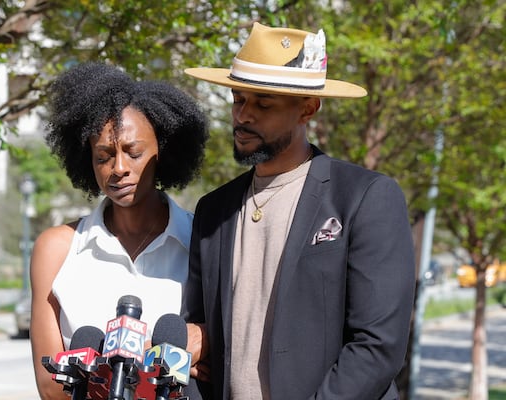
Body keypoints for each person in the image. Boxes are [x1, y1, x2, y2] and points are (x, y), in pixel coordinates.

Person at [181, 22, 416, 399]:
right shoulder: (213, 211)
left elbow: (378, 346)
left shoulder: (366, 197)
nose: (243, 116)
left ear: (308, 109)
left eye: (262, 104)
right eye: (238, 99)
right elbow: (198, 332)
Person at [29, 62, 208, 400]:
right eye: (103, 156)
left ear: (164, 151)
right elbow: (50, 385)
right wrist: (154, 368)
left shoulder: (205, 239)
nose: (119, 169)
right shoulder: (55, 249)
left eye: (134, 152)